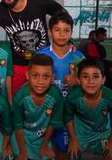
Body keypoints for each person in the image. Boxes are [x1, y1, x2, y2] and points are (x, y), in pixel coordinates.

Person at [0, 0, 66, 94]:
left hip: (44, 62)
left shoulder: (40, 1)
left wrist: (64, 41)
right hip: (18, 66)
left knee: (47, 101)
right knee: (18, 102)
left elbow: (63, 15)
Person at [36, 10, 84, 159]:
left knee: (65, 152)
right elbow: (32, 81)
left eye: (66, 30)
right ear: (50, 32)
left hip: (68, 116)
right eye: (57, 30)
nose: (62, 34)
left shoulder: (78, 57)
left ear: (71, 32)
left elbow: (90, 83)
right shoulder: (40, 55)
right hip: (45, 114)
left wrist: (77, 80)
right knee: (45, 152)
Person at [65, 58, 112, 160]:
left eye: (96, 76)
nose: (90, 81)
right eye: (85, 76)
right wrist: (73, 139)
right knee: (72, 154)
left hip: (102, 131)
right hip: (80, 131)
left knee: (111, 155)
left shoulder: (111, 98)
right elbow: (68, 118)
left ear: (103, 80)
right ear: (78, 80)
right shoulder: (72, 97)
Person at [11, 53, 64, 160]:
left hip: (42, 137)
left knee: (49, 156)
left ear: (52, 78)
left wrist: (44, 146)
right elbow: (18, 126)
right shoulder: (19, 97)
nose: (40, 81)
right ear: (27, 75)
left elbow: (53, 123)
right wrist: (22, 152)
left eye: (46, 76)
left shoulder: (56, 95)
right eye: (35, 75)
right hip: (21, 136)